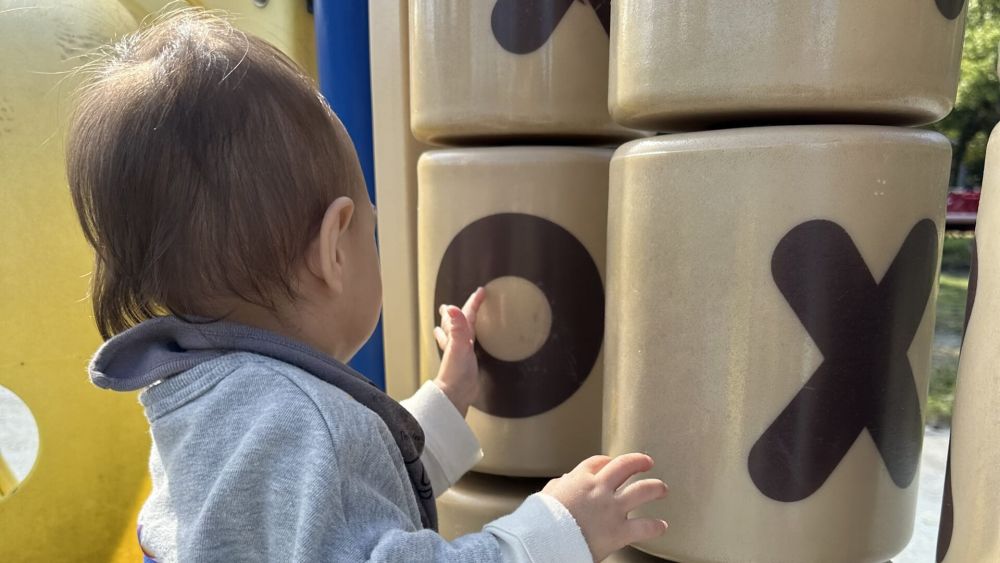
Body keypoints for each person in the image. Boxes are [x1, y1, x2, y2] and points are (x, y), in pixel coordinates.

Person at [65, 9, 668, 562]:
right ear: (335, 247)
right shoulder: (299, 421)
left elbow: (332, 504)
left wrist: (445, 401)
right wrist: (559, 528)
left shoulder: (209, 405)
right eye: (370, 232)